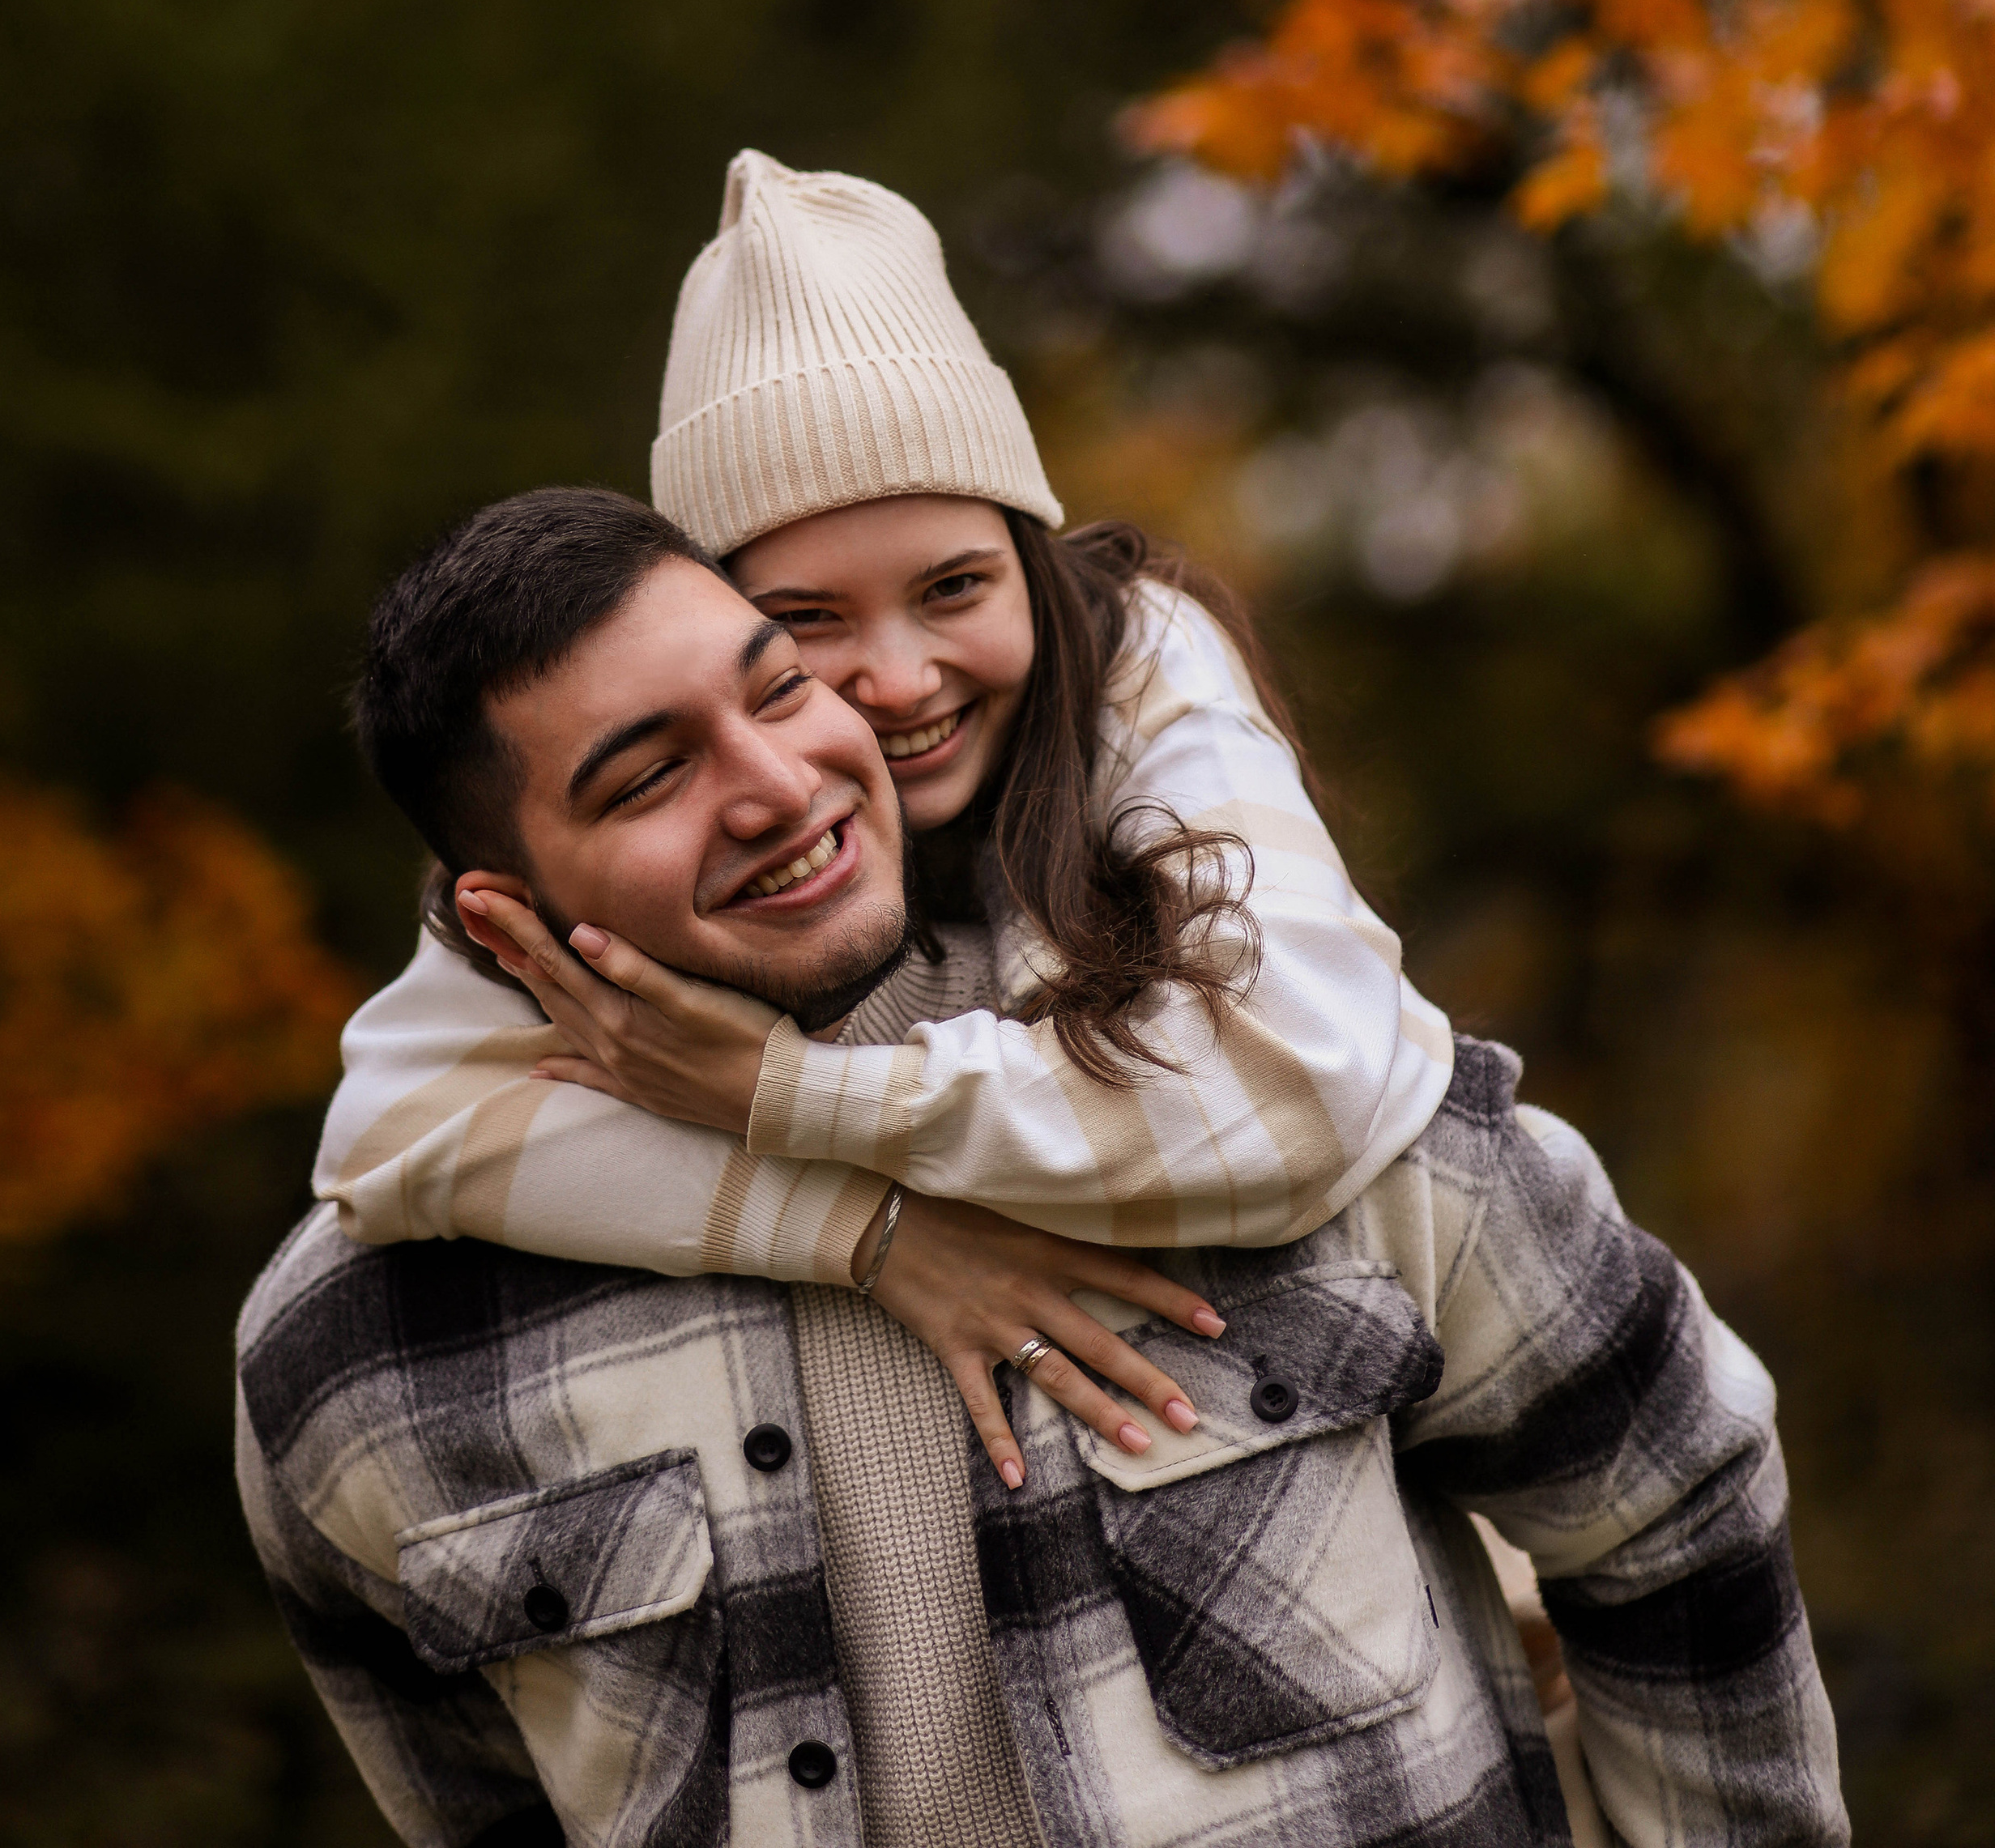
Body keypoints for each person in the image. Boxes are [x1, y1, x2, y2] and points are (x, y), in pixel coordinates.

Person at [238, 488, 1848, 1848]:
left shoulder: (1242, 1097)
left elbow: (1668, 1498)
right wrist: (868, 1234)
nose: (783, 782)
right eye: (647, 775)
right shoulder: (357, 1356)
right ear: (502, 919)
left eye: (779, 685)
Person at [316, 151, 1455, 1484]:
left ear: (1031, 560)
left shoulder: (1136, 658)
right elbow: (394, 1127)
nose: (903, 680)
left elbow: (1303, 1090)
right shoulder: (622, 844)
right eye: (806, 624)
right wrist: (877, 1235)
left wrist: (780, 1095)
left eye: (957, 587)